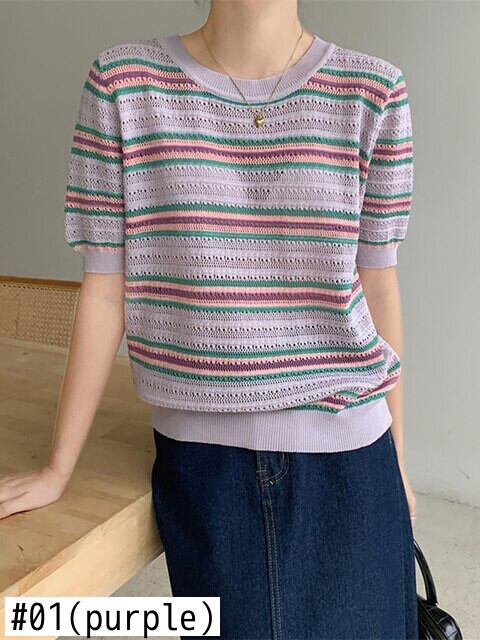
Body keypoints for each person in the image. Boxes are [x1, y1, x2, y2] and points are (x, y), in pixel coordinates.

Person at [0, 1, 418, 638]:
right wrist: (60, 467)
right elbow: (105, 289)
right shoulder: (123, 85)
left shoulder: (374, 92)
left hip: (352, 454)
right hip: (202, 462)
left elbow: (379, 285)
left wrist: (399, 463)